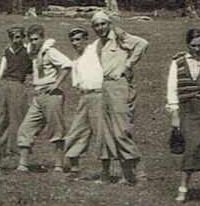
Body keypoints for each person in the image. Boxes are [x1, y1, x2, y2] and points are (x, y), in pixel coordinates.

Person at [91, 10, 149, 186]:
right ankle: (126, 175)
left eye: (103, 24)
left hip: (119, 85)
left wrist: (128, 64)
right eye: (96, 25)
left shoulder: (119, 37)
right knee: (107, 132)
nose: (100, 28)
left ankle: (140, 173)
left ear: (109, 24)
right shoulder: (98, 44)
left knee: (121, 130)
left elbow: (142, 44)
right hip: (105, 87)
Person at [166, 28, 200, 201]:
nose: (197, 49)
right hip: (187, 110)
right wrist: (174, 114)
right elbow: (172, 89)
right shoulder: (178, 62)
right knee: (190, 148)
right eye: (193, 45)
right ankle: (183, 188)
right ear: (187, 45)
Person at [16, 23, 73, 172]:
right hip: (38, 95)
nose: (33, 42)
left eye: (36, 39)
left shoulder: (50, 51)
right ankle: (22, 165)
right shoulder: (33, 51)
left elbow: (67, 65)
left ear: (42, 38)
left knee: (56, 129)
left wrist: (56, 84)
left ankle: (59, 165)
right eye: (31, 39)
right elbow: (22, 46)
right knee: (26, 128)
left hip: (51, 94)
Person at [62, 27, 108, 182]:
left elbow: (108, 35)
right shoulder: (75, 60)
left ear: (86, 39)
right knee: (76, 130)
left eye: (78, 39)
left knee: (101, 132)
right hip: (84, 97)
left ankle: (105, 172)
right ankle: (74, 168)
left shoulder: (94, 49)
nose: (75, 43)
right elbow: (77, 83)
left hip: (98, 95)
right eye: (72, 40)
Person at [0, 26, 32, 170]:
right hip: (4, 85)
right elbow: (2, 69)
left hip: (18, 85)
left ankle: (21, 160)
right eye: (12, 37)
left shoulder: (28, 51)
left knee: (19, 120)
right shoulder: (7, 51)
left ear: (23, 37)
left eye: (18, 37)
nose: (15, 40)